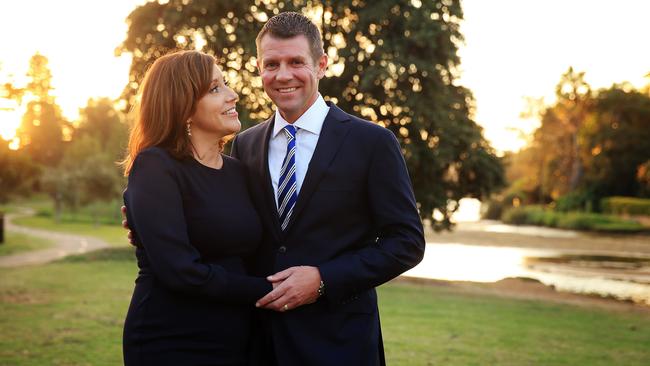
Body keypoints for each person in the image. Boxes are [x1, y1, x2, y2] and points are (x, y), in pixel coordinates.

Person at [230, 12, 426, 366]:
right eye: (271, 64)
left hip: (340, 344)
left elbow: (407, 242)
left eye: (296, 62)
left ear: (321, 65)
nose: (283, 75)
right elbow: (233, 227)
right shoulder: (245, 144)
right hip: (259, 342)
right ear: (259, 68)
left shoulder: (373, 142)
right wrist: (153, 221)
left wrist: (324, 279)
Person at [120, 50, 272, 365]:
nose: (232, 95)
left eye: (225, 84)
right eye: (215, 89)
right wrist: (270, 291)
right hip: (174, 340)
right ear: (184, 107)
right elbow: (180, 271)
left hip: (240, 337)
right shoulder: (156, 166)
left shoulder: (239, 171)